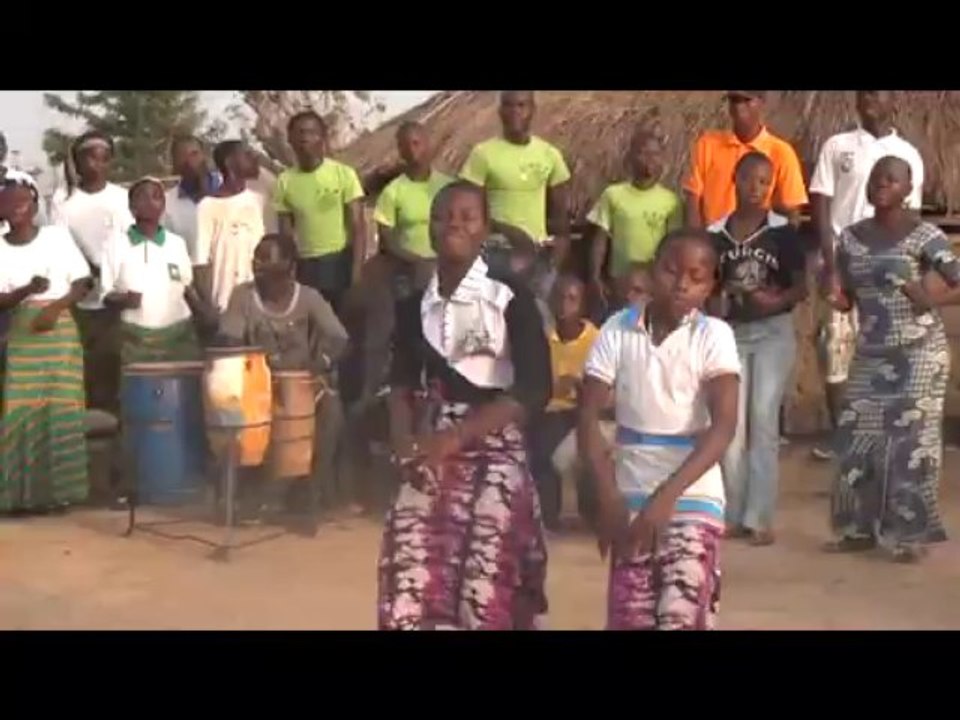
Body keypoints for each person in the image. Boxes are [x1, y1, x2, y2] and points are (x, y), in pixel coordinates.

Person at [379, 180, 552, 630]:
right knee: (411, 570)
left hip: (495, 442)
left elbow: (535, 387)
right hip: (431, 443)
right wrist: (402, 440)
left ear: (484, 230)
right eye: (444, 216)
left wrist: (457, 437)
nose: (454, 224)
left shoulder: (509, 296)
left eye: (467, 217)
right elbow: (400, 382)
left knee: (485, 579)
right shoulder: (413, 304)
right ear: (430, 227)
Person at [578, 229, 740, 630]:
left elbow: (723, 428)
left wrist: (664, 501)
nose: (681, 284)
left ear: (710, 286)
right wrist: (608, 495)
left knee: (680, 614)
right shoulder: (616, 329)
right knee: (631, 616)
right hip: (630, 493)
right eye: (670, 271)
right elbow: (586, 418)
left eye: (696, 276)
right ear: (652, 272)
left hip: (692, 493)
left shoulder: (714, 336)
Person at [823, 156, 960, 563]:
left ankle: (907, 534)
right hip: (871, 351)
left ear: (907, 188)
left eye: (891, 178)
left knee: (912, 444)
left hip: (920, 354)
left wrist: (932, 296)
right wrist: (838, 297)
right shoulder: (849, 238)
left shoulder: (925, 236)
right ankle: (856, 529)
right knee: (855, 438)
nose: (881, 183)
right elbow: (846, 291)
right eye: (876, 177)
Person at [809, 91, 925, 461]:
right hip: (842, 261)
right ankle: (842, 433)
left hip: (886, 266)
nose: (870, 98)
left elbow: (912, 219)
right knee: (835, 349)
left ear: (895, 100)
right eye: (864, 93)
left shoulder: (908, 154)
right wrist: (829, 268)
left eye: (879, 93)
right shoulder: (837, 146)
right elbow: (822, 212)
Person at [707, 152, 808, 546]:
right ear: (735, 179)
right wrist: (716, 302)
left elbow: (801, 286)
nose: (757, 188)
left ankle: (759, 518)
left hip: (771, 332)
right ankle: (731, 513)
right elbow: (709, 285)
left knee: (763, 421)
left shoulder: (783, 232)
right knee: (731, 426)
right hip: (730, 333)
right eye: (750, 180)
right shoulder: (717, 234)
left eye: (765, 182)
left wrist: (776, 300)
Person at [218, 233, 350, 528]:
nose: (257, 263)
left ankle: (309, 493)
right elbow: (230, 342)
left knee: (331, 411)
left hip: (303, 384)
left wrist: (322, 363)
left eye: (266, 257)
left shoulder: (308, 298)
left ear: (290, 266)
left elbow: (340, 338)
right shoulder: (243, 296)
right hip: (256, 388)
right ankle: (256, 494)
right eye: (256, 256)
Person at [0, 178, 93, 514]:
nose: (16, 208)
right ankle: (20, 496)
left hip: (60, 329)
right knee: (21, 412)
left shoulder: (56, 237)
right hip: (24, 333)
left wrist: (55, 306)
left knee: (60, 412)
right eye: (9, 203)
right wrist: (27, 290)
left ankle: (59, 496)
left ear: (35, 206)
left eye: (23, 202)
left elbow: (83, 282)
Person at [363, 121, 453, 400]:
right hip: (408, 272)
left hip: (448, 270)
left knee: (446, 336)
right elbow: (387, 239)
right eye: (406, 145)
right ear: (400, 151)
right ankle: (408, 395)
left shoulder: (447, 186)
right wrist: (418, 261)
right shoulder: (394, 192)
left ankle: (445, 392)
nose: (413, 150)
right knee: (411, 336)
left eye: (417, 143)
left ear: (428, 144)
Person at [52, 131, 134, 412]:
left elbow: (130, 242)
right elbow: (60, 243)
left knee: (113, 365)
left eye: (104, 159)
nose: (96, 165)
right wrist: (87, 270)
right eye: (90, 157)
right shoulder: (63, 203)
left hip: (116, 298)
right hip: (80, 297)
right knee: (85, 368)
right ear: (78, 160)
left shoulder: (123, 198)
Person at [460, 91, 572, 292]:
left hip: (538, 255)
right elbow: (469, 209)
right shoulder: (482, 154)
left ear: (532, 110)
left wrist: (554, 263)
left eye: (522, 105)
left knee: (536, 320)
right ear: (500, 111)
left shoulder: (549, 154)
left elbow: (560, 216)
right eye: (509, 106)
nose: (515, 112)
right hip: (495, 254)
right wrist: (507, 231)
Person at [101, 177, 209, 365]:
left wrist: (203, 311)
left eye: (157, 197)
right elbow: (106, 295)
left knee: (182, 389)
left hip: (179, 333)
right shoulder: (116, 244)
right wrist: (126, 300)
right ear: (132, 207)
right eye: (143, 197)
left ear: (163, 205)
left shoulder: (176, 243)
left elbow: (186, 286)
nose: (151, 202)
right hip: (135, 336)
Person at [274, 111, 366, 318]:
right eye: (299, 133)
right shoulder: (284, 181)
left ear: (323, 138)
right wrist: (289, 270)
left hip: (338, 262)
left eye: (311, 132)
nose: (305, 137)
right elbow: (285, 232)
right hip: (304, 266)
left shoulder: (343, 174)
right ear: (290, 139)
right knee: (311, 327)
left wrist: (357, 272)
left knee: (342, 325)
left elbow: (358, 226)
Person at [527, 275, 599, 530]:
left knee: (544, 444)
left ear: (582, 305)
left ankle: (551, 516)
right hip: (546, 408)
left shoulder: (596, 340)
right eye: (558, 298)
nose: (563, 305)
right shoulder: (543, 338)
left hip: (579, 411)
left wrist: (578, 386)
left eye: (572, 299)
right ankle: (544, 515)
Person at [587, 129, 682, 316]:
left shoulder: (671, 201)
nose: (650, 159)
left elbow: (673, 245)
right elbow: (600, 240)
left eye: (655, 154)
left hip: (654, 284)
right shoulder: (613, 195)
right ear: (631, 157)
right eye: (644, 153)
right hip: (620, 284)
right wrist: (595, 276)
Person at [683, 91, 808, 228]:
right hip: (714, 240)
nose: (739, 106)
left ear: (761, 102)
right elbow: (693, 199)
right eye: (734, 100)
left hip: (760, 242)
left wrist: (779, 244)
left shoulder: (781, 152)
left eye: (746, 100)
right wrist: (697, 241)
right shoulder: (707, 144)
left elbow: (792, 210)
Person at [195, 140, 264, 314]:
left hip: (260, 302)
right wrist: (209, 308)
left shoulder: (260, 200)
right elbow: (201, 263)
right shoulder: (208, 206)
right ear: (229, 162)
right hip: (225, 304)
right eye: (247, 154)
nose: (255, 157)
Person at [163, 135, 221, 265]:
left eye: (194, 154)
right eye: (182, 156)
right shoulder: (167, 204)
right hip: (192, 279)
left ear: (205, 155)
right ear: (175, 164)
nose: (189, 161)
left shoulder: (228, 191)